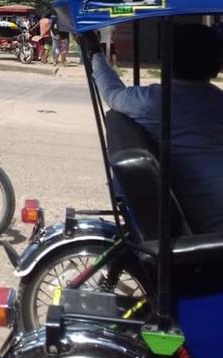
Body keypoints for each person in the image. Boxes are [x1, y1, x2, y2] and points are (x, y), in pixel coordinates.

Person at [84, 23, 223, 234]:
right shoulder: (214, 101)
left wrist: (94, 51)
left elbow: (111, 91)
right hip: (210, 226)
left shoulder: (149, 100)